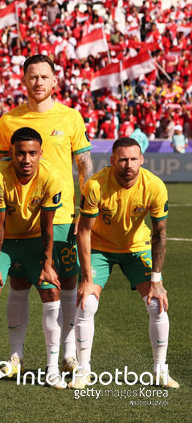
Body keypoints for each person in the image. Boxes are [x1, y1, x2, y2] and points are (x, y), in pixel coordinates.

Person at [0, 54, 93, 377]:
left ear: (54, 80)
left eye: (45, 77)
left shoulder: (71, 118)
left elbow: (84, 165)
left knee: (63, 282)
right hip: (18, 220)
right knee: (17, 281)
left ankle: (68, 355)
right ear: (23, 79)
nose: (38, 82)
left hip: (59, 216)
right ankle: (16, 356)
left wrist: (85, 208)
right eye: (33, 77)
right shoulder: (9, 121)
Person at [72, 137, 179, 389]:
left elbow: (159, 234)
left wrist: (157, 280)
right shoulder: (96, 185)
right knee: (86, 304)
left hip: (136, 247)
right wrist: (87, 277)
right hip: (100, 246)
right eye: (122, 159)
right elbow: (84, 231)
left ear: (142, 159)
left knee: (157, 305)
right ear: (112, 161)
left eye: (133, 159)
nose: (128, 165)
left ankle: (160, 370)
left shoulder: (154, 186)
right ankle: (83, 370)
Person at [0, 128, 65, 390]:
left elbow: (48, 225)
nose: (26, 160)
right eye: (20, 153)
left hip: (35, 239)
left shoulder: (51, 176)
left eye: (32, 153)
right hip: (1, 239)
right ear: (11, 153)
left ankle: (53, 370)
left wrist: (47, 265)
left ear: (40, 154)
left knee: (50, 291)